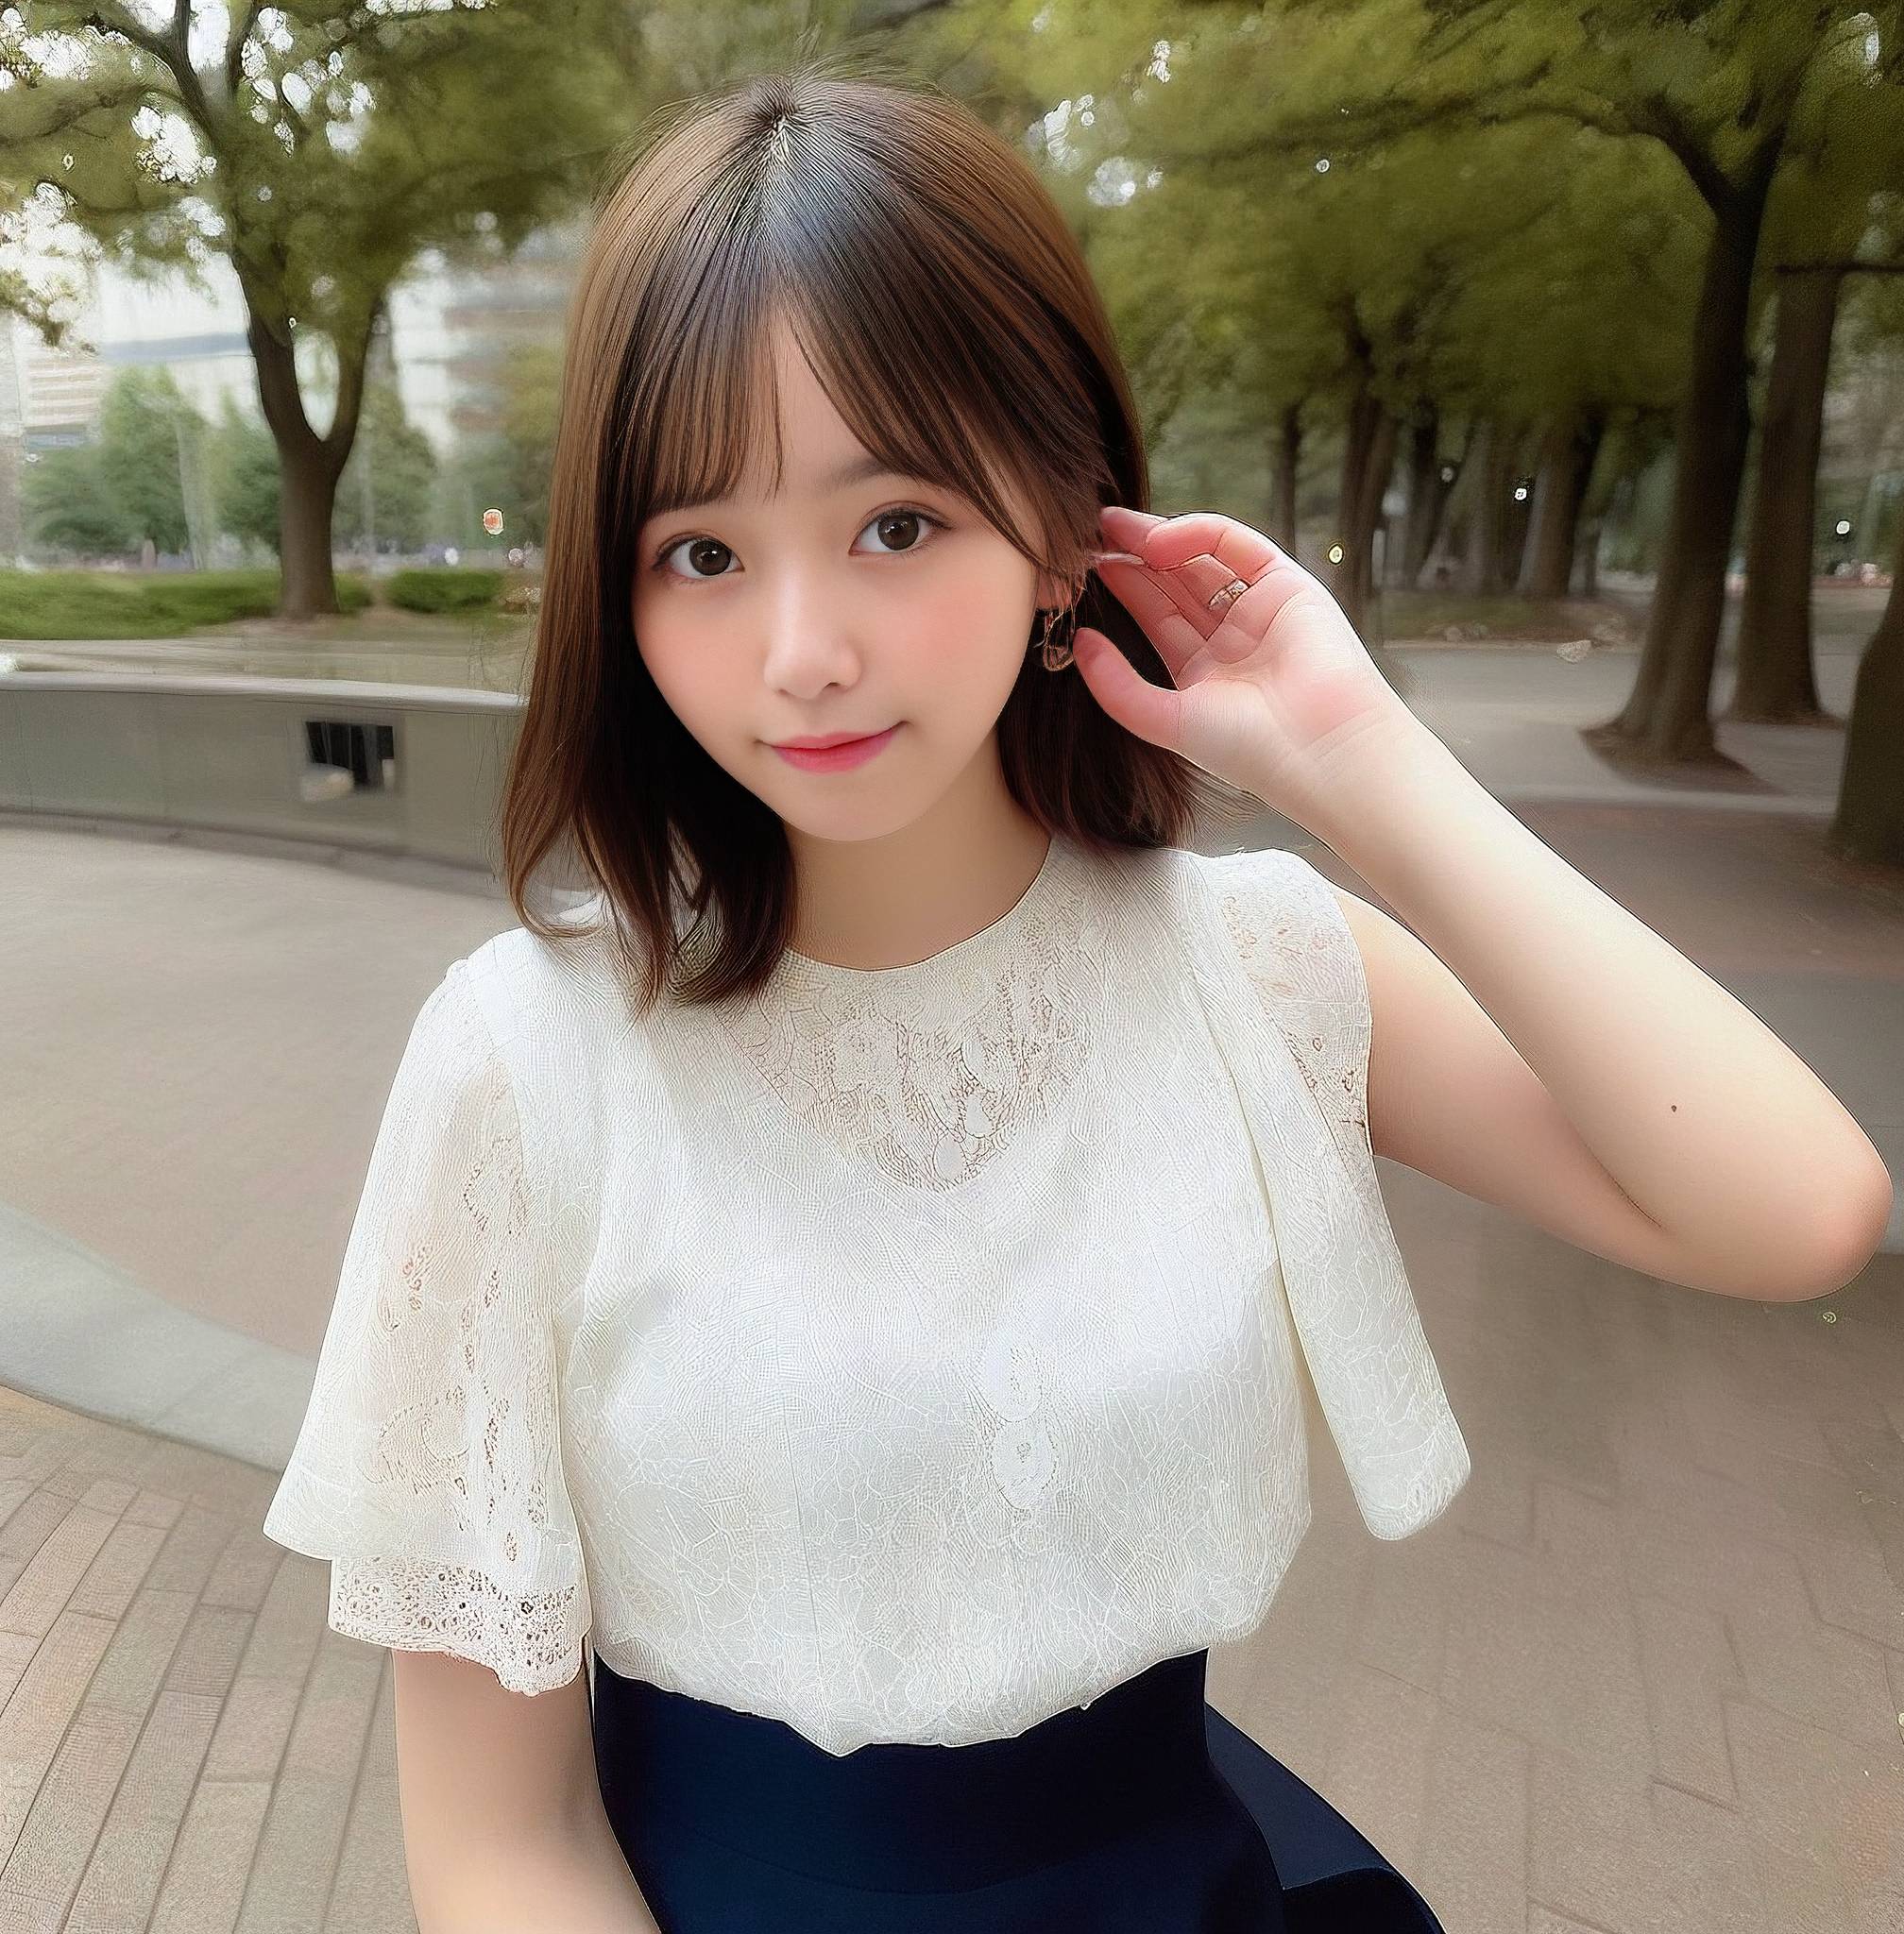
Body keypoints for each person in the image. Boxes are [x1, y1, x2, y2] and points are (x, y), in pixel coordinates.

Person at [262, 56, 1472, 1933]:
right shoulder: (529, 1059)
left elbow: (1782, 1196)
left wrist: (1363, 762)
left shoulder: (1250, 964)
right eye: (702, 553)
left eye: (894, 522)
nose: (801, 651)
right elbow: (498, 1843)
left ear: (1066, 514)